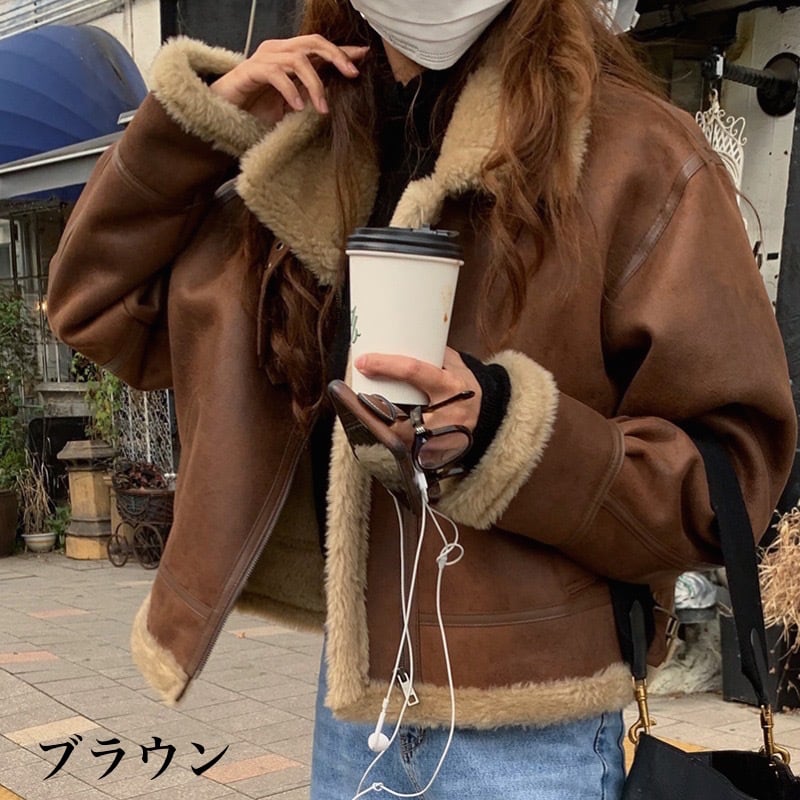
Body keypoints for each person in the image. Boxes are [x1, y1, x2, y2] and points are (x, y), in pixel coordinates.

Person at [46, 1, 797, 798]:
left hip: (535, 729)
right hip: (358, 711)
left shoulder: (631, 148)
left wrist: (506, 430)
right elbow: (94, 309)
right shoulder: (311, 138)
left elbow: (730, 478)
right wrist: (197, 129)